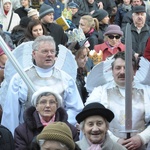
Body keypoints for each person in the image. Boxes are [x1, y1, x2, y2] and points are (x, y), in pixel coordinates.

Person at [1, 35, 83, 135]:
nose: (49, 55)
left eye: (52, 51)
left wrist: (59, 125)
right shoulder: (19, 79)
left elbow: (75, 108)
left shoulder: (66, 79)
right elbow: (11, 113)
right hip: (28, 135)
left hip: (59, 133)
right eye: (45, 51)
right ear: (34, 54)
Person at [86, 51, 150, 149]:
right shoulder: (100, 91)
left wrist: (142, 138)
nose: (122, 72)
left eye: (126, 68)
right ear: (112, 70)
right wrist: (114, 140)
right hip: (108, 145)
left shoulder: (147, 91)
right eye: (118, 68)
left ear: (134, 71)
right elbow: (89, 118)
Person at [14, 87, 79, 149]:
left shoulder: (70, 130)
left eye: (52, 102)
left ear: (57, 106)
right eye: (43, 102)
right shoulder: (22, 131)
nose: (47, 105)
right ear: (36, 106)